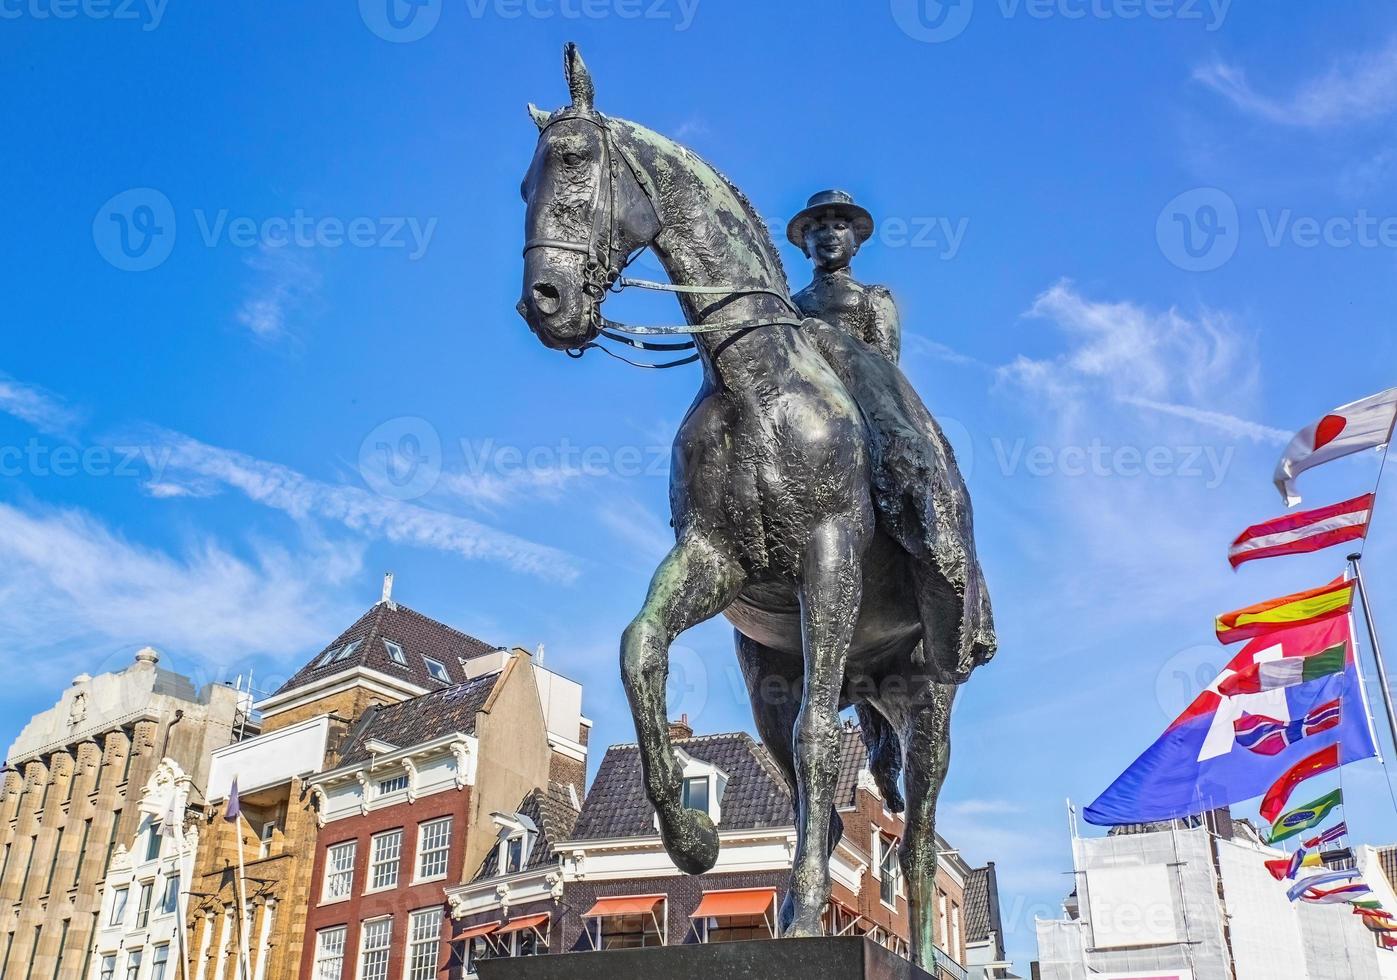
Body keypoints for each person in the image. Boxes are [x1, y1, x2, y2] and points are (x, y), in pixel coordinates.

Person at [788, 189, 901, 364]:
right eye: (820, 228)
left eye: (840, 227)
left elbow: (885, 371)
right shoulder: (791, 304)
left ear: (856, 244)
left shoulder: (874, 297)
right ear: (805, 246)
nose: (831, 235)